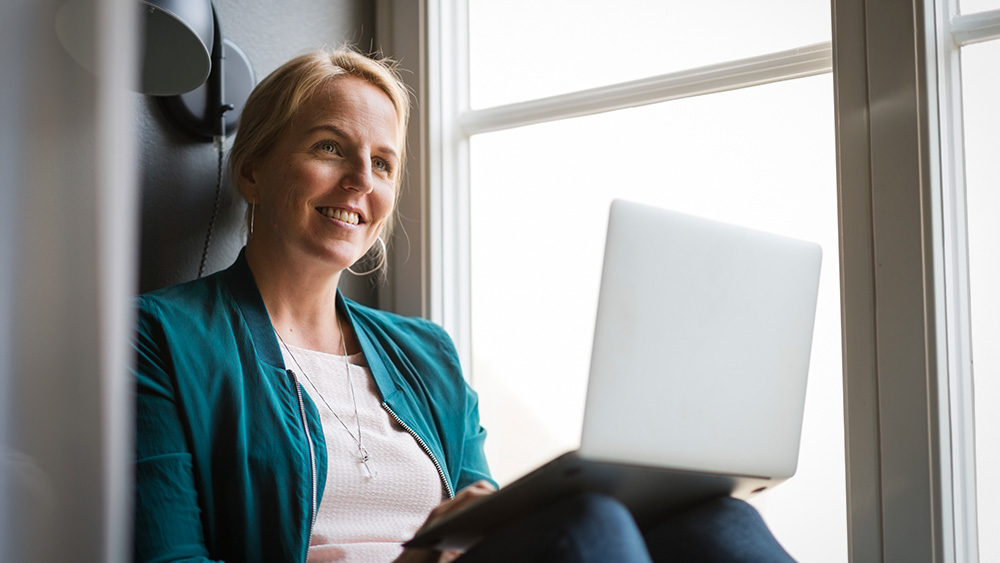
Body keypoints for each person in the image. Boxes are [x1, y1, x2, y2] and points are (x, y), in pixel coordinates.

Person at [132, 47, 796, 563]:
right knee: (587, 523)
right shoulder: (161, 335)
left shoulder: (428, 355)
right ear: (253, 170)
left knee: (720, 518)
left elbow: (487, 524)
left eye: (383, 163)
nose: (361, 180)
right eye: (331, 147)